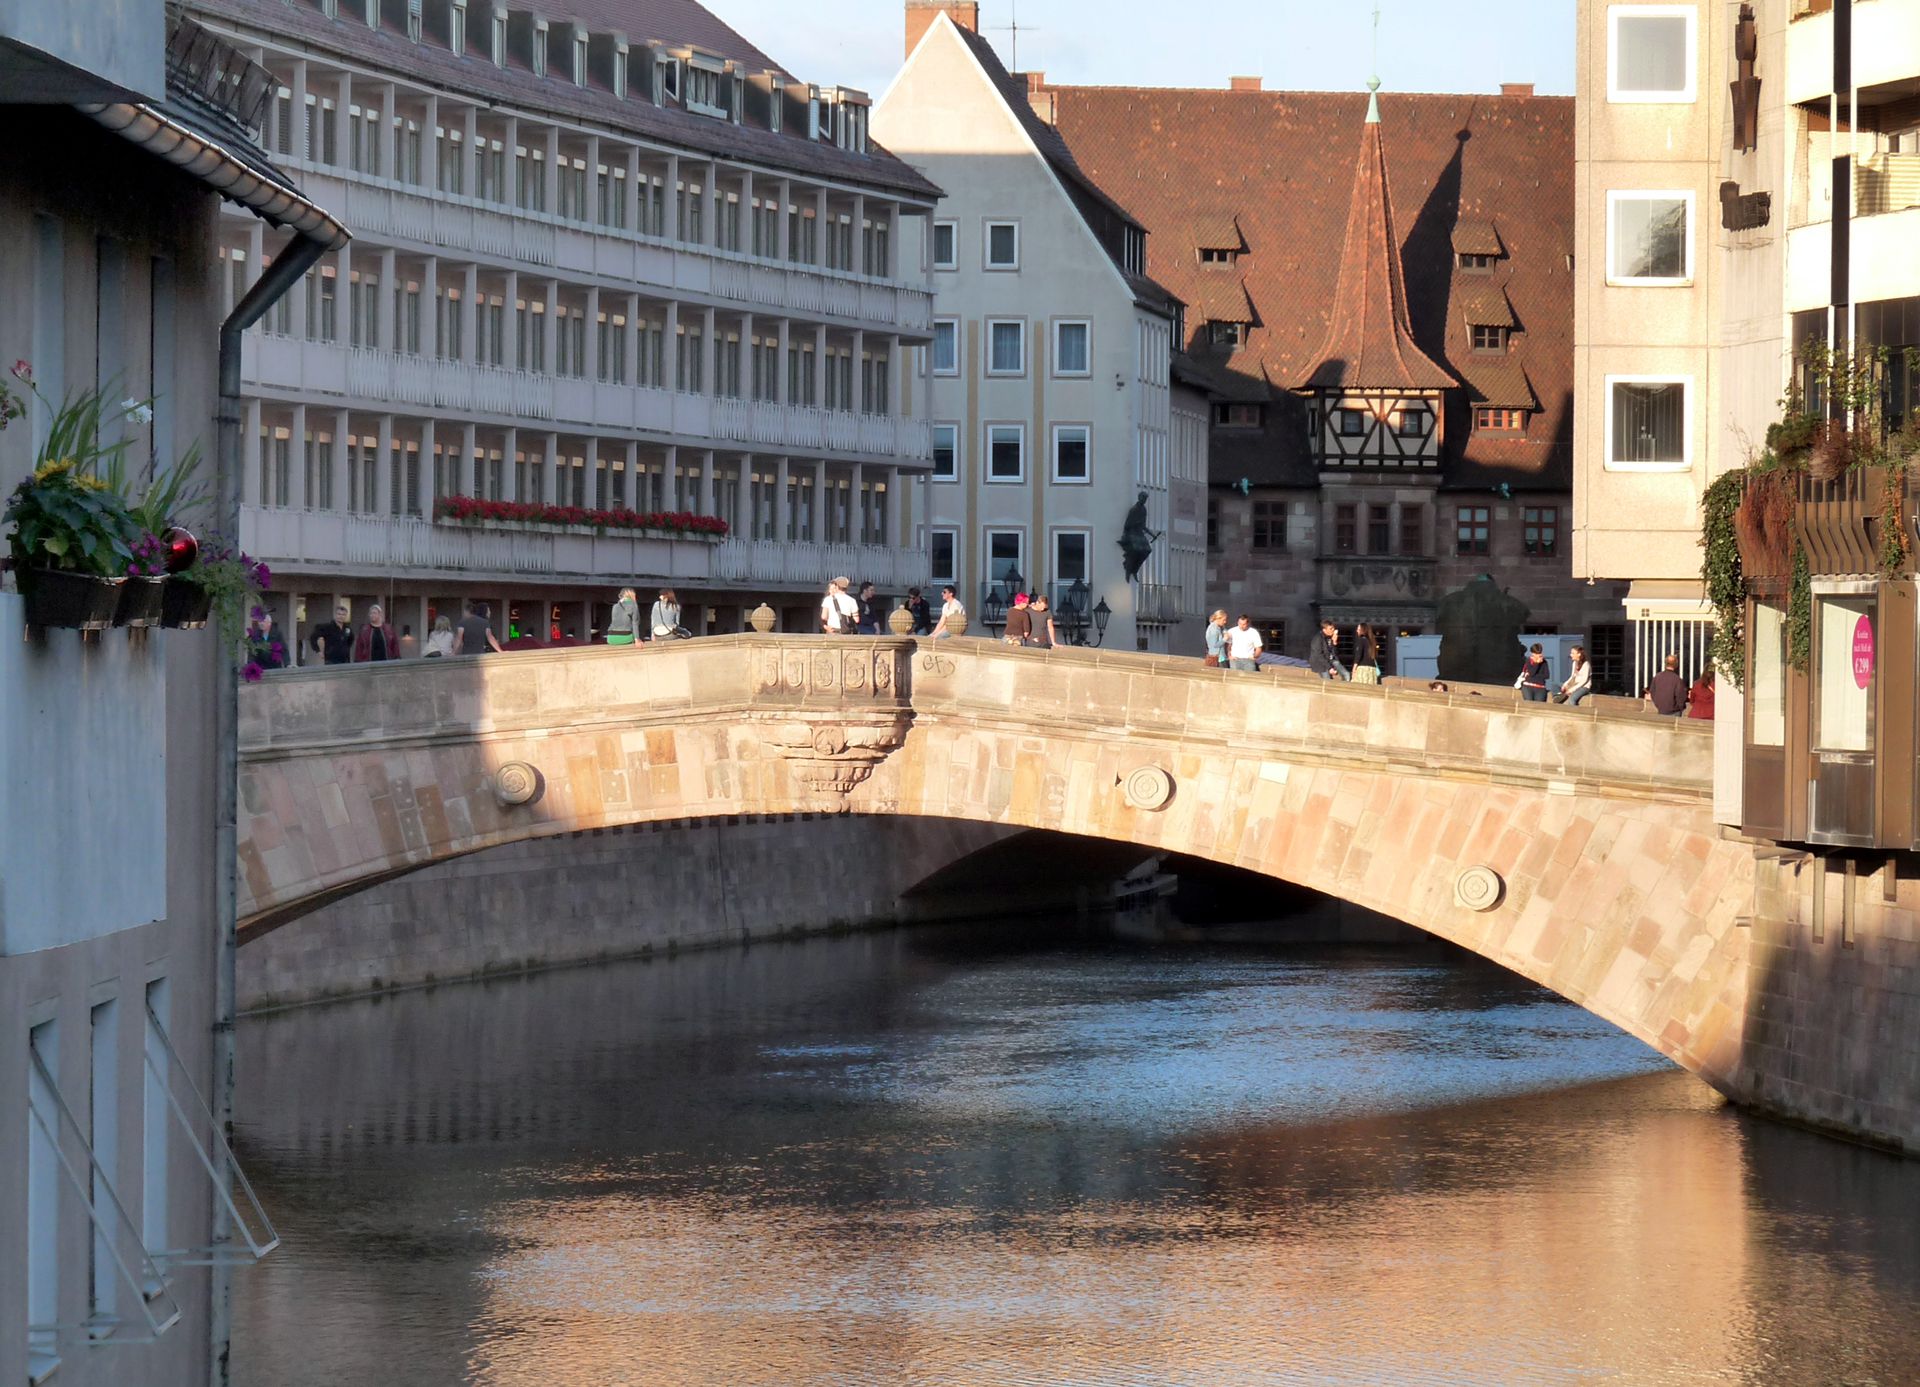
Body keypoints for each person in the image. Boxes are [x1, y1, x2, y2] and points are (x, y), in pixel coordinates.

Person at [309, 601, 354, 666]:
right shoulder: (327, 627)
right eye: (339, 614)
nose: (341, 616)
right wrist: (318, 651)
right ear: (335, 615)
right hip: (331, 660)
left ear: (346, 616)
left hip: (345, 660)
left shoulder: (348, 629)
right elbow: (313, 637)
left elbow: (350, 641)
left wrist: (345, 649)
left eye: (343, 614)